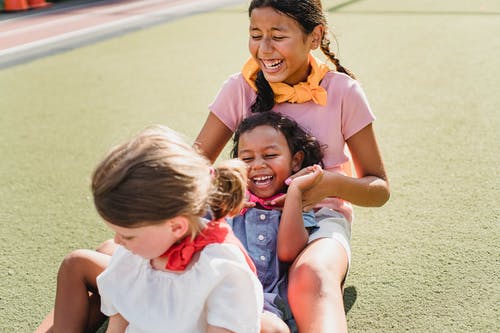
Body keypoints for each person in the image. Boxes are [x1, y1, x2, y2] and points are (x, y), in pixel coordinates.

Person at [194, 0, 390, 332]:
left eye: (277, 35)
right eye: (256, 34)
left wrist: (328, 185)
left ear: (315, 36)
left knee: (311, 276)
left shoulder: (343, 91)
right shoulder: (239, 88)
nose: (264, 48)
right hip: (244, 216)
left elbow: (379, 189)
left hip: (320, 221)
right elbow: (193, 168)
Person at [58, 125, 263, 333]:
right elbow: (119, 322)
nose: (118, 242)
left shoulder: (223, 271)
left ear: (176, 226)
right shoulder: (133, 253)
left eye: (128, 235)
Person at [229, 112, 324, 333]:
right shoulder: (229, 201)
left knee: (273, 330)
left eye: (270, 155)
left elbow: (288, 252)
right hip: (220, 294)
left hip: (265, 305)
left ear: (296, 161)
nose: (258, 165)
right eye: (247, 159)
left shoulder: (299, 208)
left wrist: (295, 192)